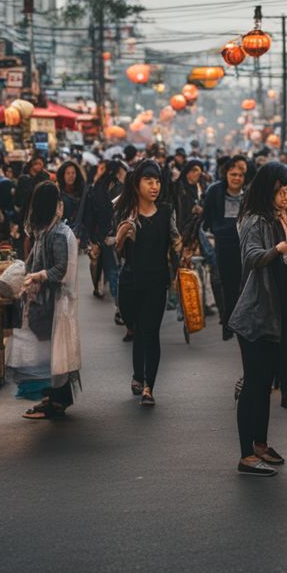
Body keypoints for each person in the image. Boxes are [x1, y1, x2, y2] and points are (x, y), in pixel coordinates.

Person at [227, 162, 287, 476]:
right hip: (256, 314)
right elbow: (252, 257)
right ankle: (246, 454)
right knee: (254, 384)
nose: (286, 197)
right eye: (282, 191)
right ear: (268, 189)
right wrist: (279, 247)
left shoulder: (278, 219)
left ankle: (260, 444)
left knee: (264, 386)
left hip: (276, 313)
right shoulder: (254, 220)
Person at [9, 181, 82, 420]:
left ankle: (54, 402)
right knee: (50, 353)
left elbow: (60, 269)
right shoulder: (46, 231)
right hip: (45, 302)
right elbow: (33, 261)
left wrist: (40, 276)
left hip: (53, 302)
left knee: (51, 353)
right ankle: (54, 399)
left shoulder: (58, 233)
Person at [114, 160, 183, 405]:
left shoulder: (165, 212)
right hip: (130, 282)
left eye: (157, 181)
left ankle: (148, 387)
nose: (154, 186)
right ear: (137, 184)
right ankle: (137, 374)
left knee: (151, 332)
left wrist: (181, 253)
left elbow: (176, 241)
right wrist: (120, 237)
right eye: (149, 181)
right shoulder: (126, 214)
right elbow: (117, 255)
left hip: (157, 281)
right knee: (137, 328)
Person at [203, 155, 249, 340]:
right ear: (226, 175)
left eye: (240, 175)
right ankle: (228, 323)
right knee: (226, 284)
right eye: (233, 174)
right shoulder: (215, 191)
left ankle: (242, 321)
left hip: (244, 244)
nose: (236, 178)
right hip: (223, 243)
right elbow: (208, 217)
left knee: (243, 284)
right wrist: (217, 229)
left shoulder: (248, 194)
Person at [81, 160, 125, 321]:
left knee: (113, 271)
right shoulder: (115, 189)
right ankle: (120, 306)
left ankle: (119, 306)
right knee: (116, 271)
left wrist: (96, 239)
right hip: (112, 237)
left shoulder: (99, 188)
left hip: (106, 238)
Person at [56, 160, 86, 230]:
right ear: (63, 175)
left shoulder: (82, 191)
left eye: (73, 173)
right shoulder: (58, 192)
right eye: (68, 173)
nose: (71, 176)